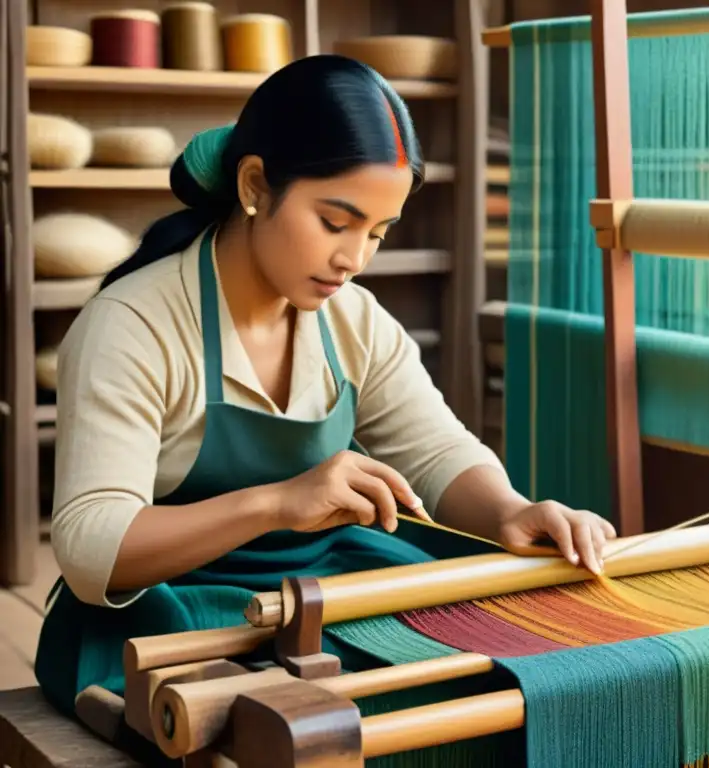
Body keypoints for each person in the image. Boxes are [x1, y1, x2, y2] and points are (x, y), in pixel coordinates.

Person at [34, 54, 616, 737]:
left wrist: (511, 511)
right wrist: (281, 502)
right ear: (255, 185)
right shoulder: (132, 325)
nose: (355, 258)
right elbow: (90, 547)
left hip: (317, 586)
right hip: (172, 607)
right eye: (335, 222)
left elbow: (435, 449)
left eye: (377, 231)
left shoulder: (354, 319)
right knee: (303, 727)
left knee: (509, 665)